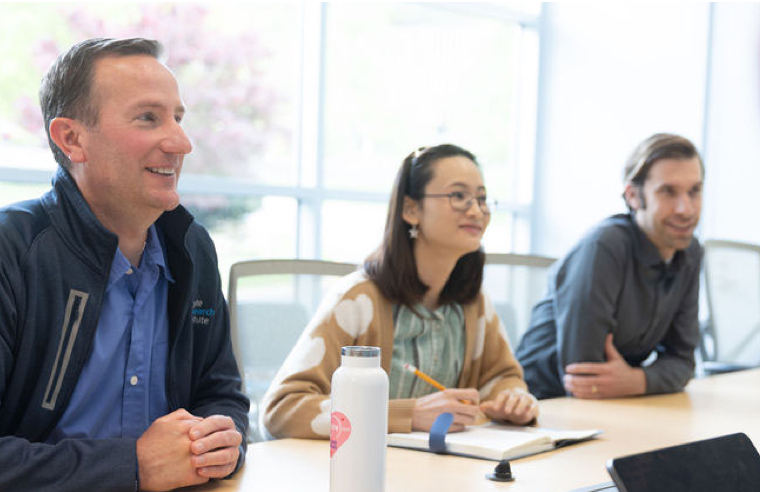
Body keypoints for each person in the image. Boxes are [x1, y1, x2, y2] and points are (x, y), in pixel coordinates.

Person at [0, 38, 248, 491]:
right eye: (148, 118)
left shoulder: (192, 247)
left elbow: (221, 393)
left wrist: (220, 439)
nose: (181, 142)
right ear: (72, 139)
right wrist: (132, 466)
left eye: (178, 117)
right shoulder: (11, 251)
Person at [262, 144, 538, 439]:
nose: (476, 210)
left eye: (482, 199)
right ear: (411, 209)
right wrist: (407, 415)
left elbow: (502, 377)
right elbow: (281, 410)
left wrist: (512, 398)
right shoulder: (358, 299)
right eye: (458, 196)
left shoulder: (473, 302)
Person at [516, 133, 703, 400]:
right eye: (668, 192)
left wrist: (637, 380)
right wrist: (645, 380)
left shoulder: (690, 252)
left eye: (694, 191)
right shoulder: (604, 247)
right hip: (543, 406)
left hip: (614, 404)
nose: (686, 208)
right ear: (634, 196)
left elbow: (683, 363)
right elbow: (584, 377)